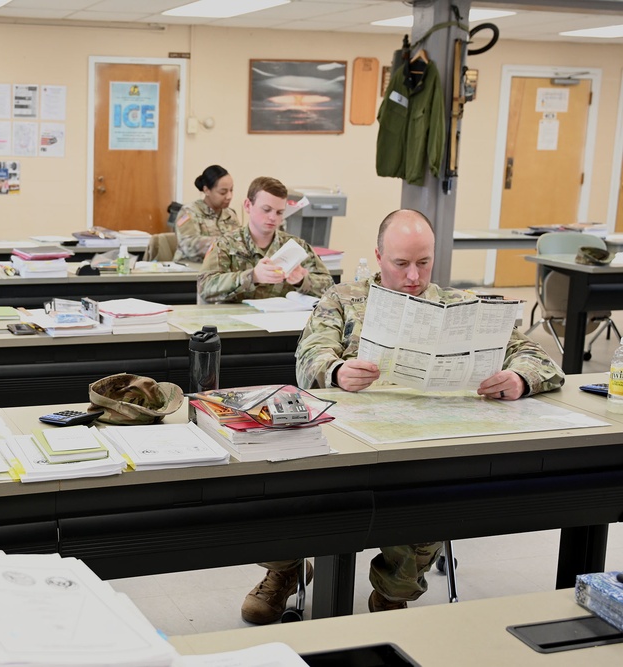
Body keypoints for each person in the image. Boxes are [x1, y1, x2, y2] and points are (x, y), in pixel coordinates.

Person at [240, 209, 565, 625]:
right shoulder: (343, 298)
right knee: (282, 482)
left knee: (433, 496)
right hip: (346, 439)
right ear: (378, 256)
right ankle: (285, 571)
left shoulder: (461, 305)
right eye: (401, 264)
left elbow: (536, 357)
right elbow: (309, 357)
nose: (414, 276)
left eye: (424, 263)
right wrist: (337, 371)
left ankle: (393, 592)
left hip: (423, 443)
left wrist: (520, 378)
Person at [198, 176, 333, 304]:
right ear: (248, 205)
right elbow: (205, 287)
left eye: (279, 212)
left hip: (282, 323)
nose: (273, 217)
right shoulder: (226, 245)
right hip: (235, 322)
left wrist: (302, 280)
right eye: (266, 210)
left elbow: (330, 288)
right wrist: (252, 276)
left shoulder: (296, 247)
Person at [174, 165, 240, 263]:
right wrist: (223, 243)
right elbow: (188, 245)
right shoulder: (189, 212)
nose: (229, 196)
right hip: (192, 269)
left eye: (231, 190)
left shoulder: (230, 214)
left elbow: (239, 242)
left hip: (221, 270)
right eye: (223, 192)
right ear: (206, 190)